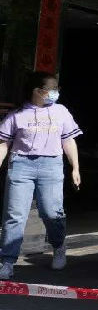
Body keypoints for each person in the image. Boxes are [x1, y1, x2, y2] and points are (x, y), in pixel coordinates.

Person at [0, 72, 81, 280]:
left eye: (57, 89)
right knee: (15, 215)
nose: (55, 93)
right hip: (21, 165)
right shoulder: (17, 114)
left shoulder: (61, 111)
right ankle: (7, 261)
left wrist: (75, 168)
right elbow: (3, 144)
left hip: (51, 165)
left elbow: (68, 141)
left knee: (52, 212)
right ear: (37, 91)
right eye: (51, 90)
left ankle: (58, 246)